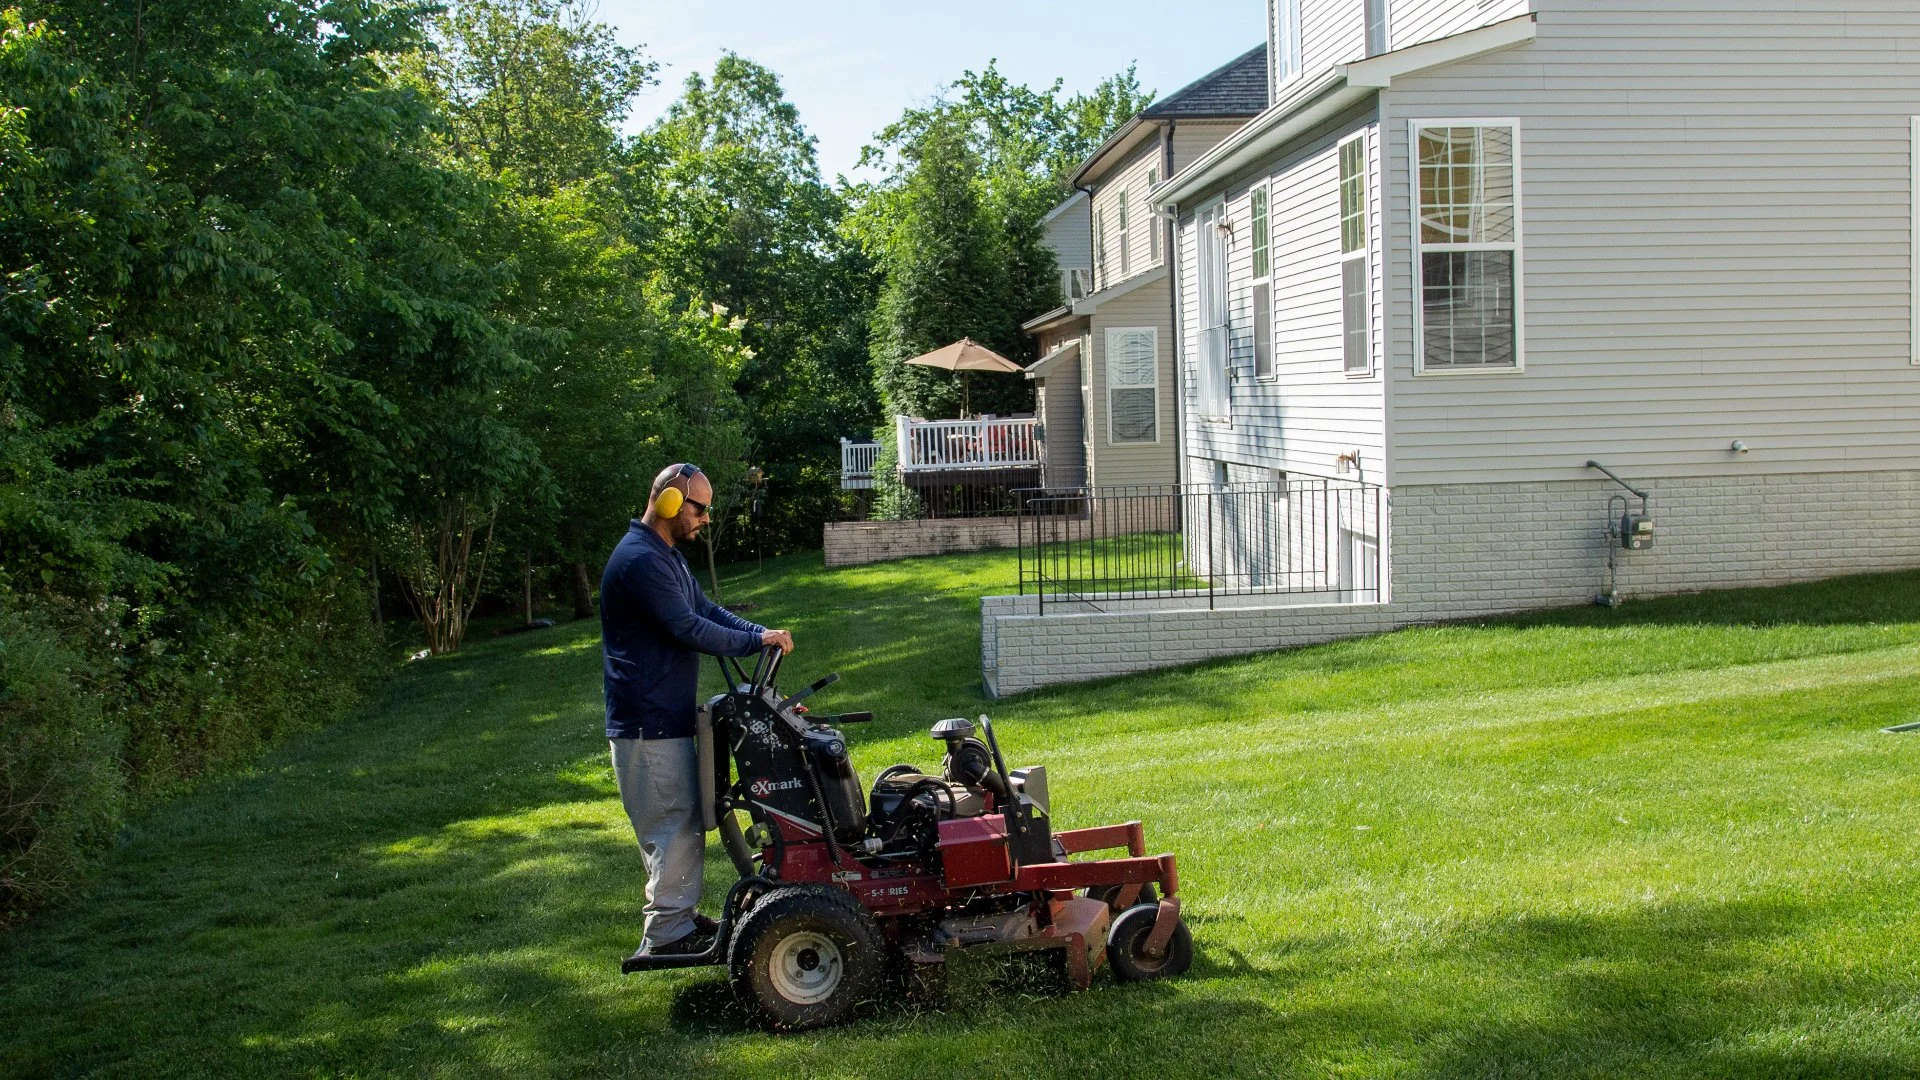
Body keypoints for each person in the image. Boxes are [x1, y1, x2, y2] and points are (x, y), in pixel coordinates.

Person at [601, 463, 793, 959]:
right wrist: (754, 642)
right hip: (647, 724)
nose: (706, 519)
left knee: (682, 823)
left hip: (662, 719)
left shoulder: (664, 556)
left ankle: (678, 919)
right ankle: (666, 934)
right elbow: (688, 628)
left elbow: (707, 610)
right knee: (674, 825)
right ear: (668, 501)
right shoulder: (640, 561)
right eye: (700, 508)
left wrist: (758, 632)